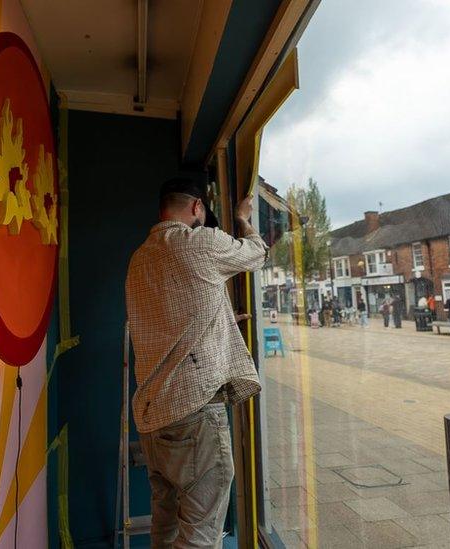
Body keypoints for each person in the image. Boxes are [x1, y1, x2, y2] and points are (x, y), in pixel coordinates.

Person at [126, 177, 266, 547]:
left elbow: (171, 314)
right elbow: (257, 253)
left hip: (152, 417)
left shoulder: (140, 258)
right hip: (193, 414)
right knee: (200, 535)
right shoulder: (199, 242)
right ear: (196, 209)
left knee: (165, 525)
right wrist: (244, 218)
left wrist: (220, 319)